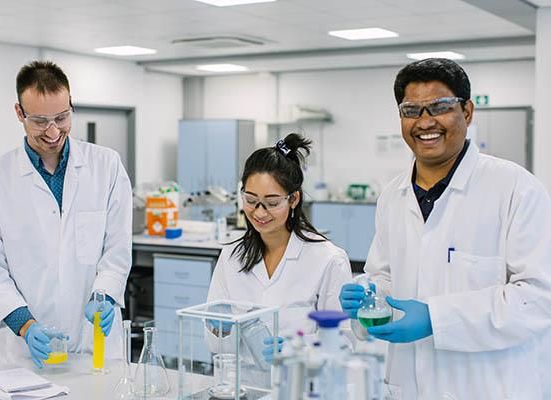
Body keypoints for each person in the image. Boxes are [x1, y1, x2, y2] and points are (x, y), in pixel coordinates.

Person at [339, 58, 551, 399]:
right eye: (411, 110)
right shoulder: (394, 196)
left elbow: (538, 299)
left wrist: (437, 318)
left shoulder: (516, 189)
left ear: (467, 112)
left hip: (489, 386)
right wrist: (368, 294)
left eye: (439, 107)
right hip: (410, 385)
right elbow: (387, 276)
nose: (425, 122)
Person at [0, 60, 132, 368]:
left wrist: (105, 297)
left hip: (93, 341)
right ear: (19, 113)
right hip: (26, 348)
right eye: (40, 121)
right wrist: (27, 326)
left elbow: (118, 248)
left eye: (62, 117)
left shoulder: (106, 166)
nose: (53, 131)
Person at [206, 133, 353, 363]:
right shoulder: (231, 256)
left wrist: (299, 348)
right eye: (251, 200)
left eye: (272, 203)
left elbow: (345, 342)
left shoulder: (328, 259)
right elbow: (216, 347)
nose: (259, 212)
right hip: (245, 387)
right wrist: (219, 329)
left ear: (293, 199)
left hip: (301, 386)